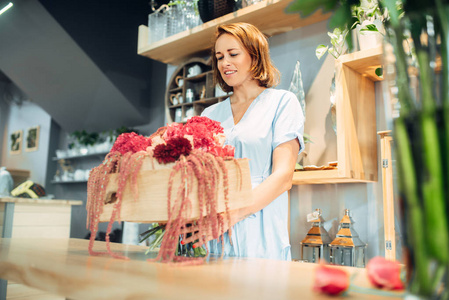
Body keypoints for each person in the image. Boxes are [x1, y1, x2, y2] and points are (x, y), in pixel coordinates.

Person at [184, 22, 304, 261]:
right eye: (219, 57)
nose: (224, 63)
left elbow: (283, 177)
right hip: (213, 235)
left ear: (254, 55)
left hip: (260, 230)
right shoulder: (209, 115)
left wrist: (228, 217)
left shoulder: (282, 103)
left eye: (233, 54)